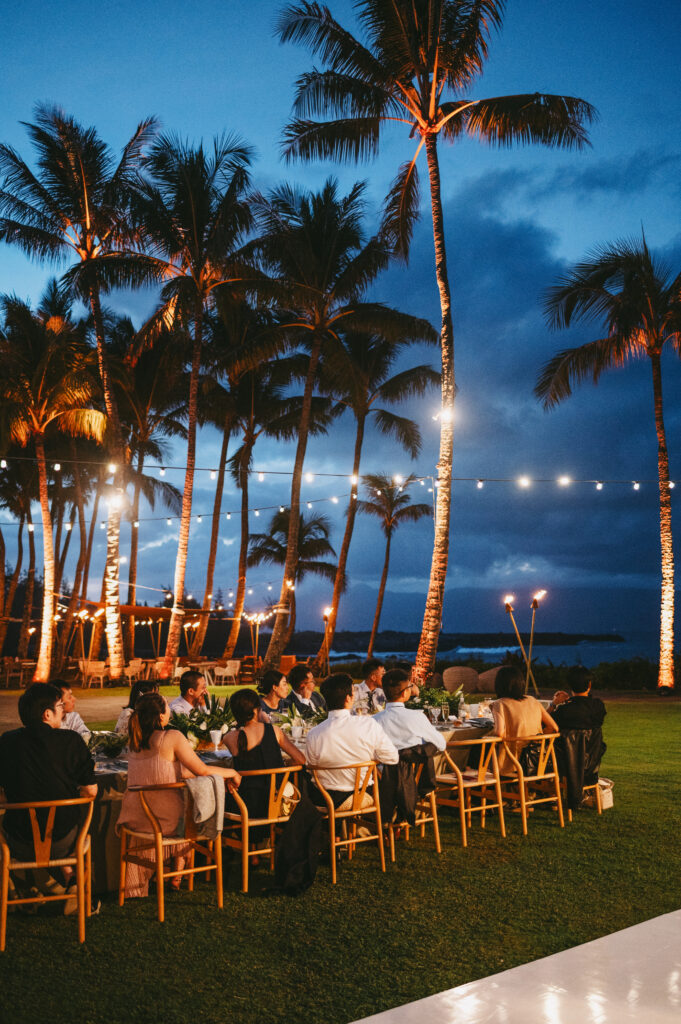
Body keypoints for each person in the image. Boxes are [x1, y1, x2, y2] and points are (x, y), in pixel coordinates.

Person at [117, 692, 240, 897]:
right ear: (161, 716)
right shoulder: (171, 737)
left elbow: (169, 771)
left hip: (134, 816)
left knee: (185, 800)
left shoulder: (136, 740)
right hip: (164, 821)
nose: (169, 709)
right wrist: (232, 772)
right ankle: (180, 873)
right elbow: (202, 770)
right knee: (194, 810)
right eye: (166, 706)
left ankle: (175, 875)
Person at [0, 683, 97, 869]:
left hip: (18, 843)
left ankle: (66, 875)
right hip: (62, 841)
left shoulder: (7, 742)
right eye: (60, 706)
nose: (63, 711)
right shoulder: (70, 741)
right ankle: (74, 877)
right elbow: (91, 791)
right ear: (47, 714)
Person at [306, 673, 398, 809]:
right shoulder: (368, 725)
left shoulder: (313, 734)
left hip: (325, 799)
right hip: (361, 794)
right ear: (348, 698)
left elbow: (311, 766)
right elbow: (393, 758)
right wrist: (372, 759)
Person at [223, 688, 305, 819]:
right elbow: (301, 759)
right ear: (256, 710)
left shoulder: (229, 738)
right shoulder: (274, 731)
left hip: (244, 805)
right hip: (276, 803)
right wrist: (284, 764)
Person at [492, 665, 558, 774]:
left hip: (513, 763)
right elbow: (553, 727)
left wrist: (488, 736)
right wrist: (536, 740)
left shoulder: (500, 704)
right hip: (537, 760)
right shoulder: (532, 700)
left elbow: (499, 733)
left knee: (480, 749)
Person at [374, 669, 446, 752]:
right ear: (404, 693)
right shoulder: (417, 717)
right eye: (410, 686)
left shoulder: (374, 720)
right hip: (414, 760)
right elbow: (441, 744)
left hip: (384, 760)